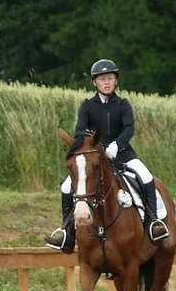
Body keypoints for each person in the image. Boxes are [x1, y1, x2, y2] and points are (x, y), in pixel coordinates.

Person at [44, 58, 169, 252]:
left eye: (110, 78)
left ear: (116, 81)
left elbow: (129, 128)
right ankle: (67, 232)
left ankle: (154, 223)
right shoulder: (87, 106)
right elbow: (80, 131)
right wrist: (94, 148)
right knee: (67, 186)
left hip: (123, 154)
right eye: (102, 79)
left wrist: (116, 145)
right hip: (95, 157)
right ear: (95, 82)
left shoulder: (123, 104)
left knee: (146, 177)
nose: (107, 82)